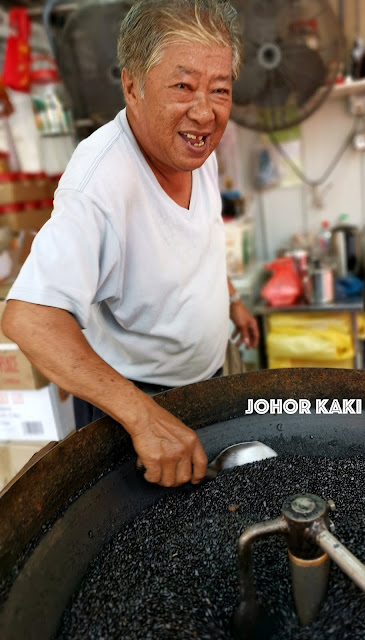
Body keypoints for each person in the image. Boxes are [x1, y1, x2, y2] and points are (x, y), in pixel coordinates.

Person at [1, 0, 259, 488]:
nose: (204, 111)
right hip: (135, 402)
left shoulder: (194, 149)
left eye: (219, 90)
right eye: (183, 86)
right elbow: (29, 317)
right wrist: (143, 418)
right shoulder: (99, 182)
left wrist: (233, 300)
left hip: (202, 378)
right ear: (132, 85)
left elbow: (197, 240)